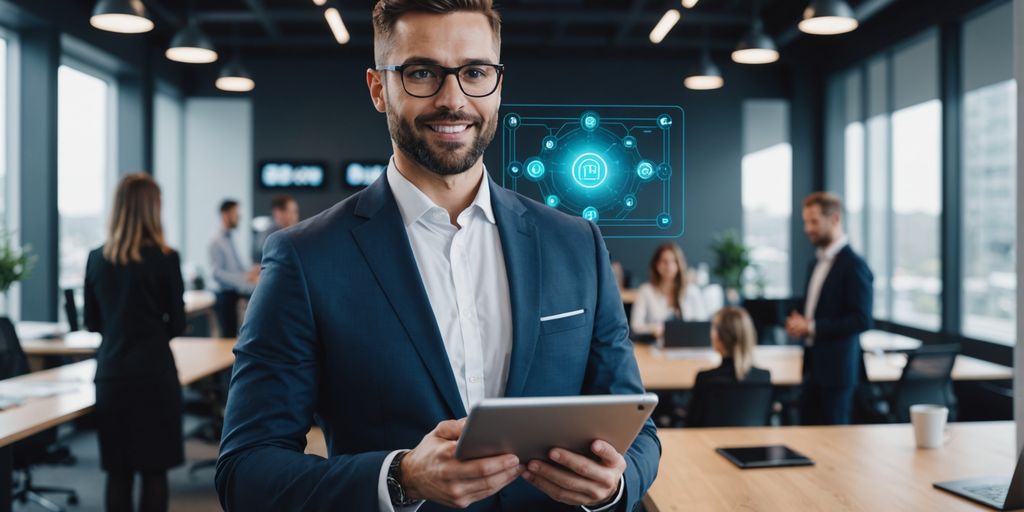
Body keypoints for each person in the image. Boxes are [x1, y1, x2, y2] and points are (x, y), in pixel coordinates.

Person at [215, 1, 660, 510]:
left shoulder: (576, 243)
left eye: (475, 72)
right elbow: (246, 470)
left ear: (498, 85)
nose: (453, 100)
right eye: (421, 72)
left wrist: (614, 485)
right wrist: (400, 478)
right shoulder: (305, 258)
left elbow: (638, 429)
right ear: (378, 88)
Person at [84, 174, 186, 512]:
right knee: (154, 472)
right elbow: (178, 323)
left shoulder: (96, 258)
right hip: (155, 374)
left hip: (112, 376)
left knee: (118, 473)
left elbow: (92, 322)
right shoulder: (166, 258)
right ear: (152, 209)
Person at [785, 192, 873, 425]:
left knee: (834, 440)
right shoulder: (815, 262)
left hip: (838, 373)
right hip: (812, 368)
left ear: (834, 219)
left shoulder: (854, 265)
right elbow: (819, 309)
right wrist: (799, 322)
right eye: (806, 222)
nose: (807, 229)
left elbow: (862, 319)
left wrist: (811, 327)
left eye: (814, 221)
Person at [687, 307, 771, 426]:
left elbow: (692, 424)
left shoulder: (705, 379)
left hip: (708, 438)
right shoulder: (764, 377)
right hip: (751, 438)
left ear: (718, 336)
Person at [630, 242, 709, 339]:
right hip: (656, 343)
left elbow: (703, 325)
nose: (669, 266)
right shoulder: (645, 291)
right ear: (656, 264)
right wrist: (654, 329)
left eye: (674, 261)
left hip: (688, 343)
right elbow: (636, 326)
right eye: (664, 261)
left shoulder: (692, 291)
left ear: (679, 265)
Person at [208, 199, 259, 337]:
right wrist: (244, 277)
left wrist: (251, 270)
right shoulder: (216, 241)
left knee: (236, 336)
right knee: (227, 338)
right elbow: (217, 273)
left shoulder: (231, 238)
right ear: (225, 215)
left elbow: (236, 267)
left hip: (234, 295)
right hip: (225, 297)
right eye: (236, 214)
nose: (239, 218)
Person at [253, 194, 300, 262]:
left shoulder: (295, 234)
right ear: (277, 212)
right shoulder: (268, 236)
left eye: (295, 212)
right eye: (290, 212)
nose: (294, 216)